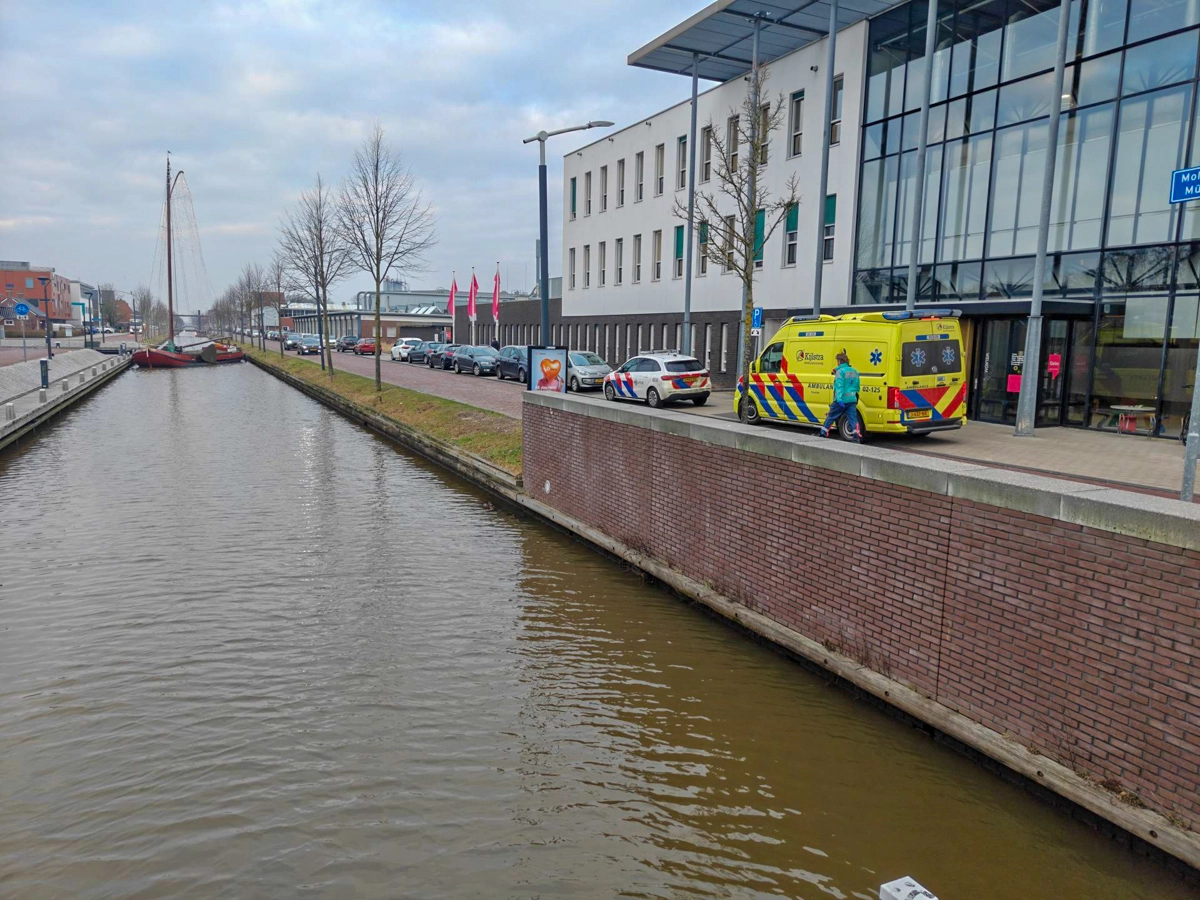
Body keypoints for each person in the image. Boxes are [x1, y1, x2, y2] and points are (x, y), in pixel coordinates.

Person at [820, 350, 862, 442]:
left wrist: (839, 399)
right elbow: (857, 386)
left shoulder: (840, 372)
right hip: (852, 399)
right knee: (852, 418)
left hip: (842, 400)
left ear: (839, 361)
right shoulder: (854, 371)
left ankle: (823, 433)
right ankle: (856, 436)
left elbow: (839, 387)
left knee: (831, 416)